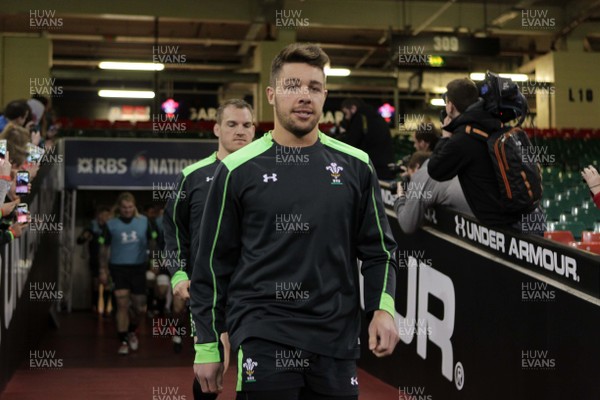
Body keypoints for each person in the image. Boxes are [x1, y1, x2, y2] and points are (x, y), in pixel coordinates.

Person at [191, 43, 399, 400]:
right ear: (271, 94)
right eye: (293, 86)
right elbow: (212, 265)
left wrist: (383, 309)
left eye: (314, 88)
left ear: (325, 95)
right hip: (263, 334)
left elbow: (379, 251)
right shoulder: (236, 170)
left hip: (336, 339)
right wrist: (208, 343)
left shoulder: (357, 165)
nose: (304, 96)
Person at [163, 98, 255, 399]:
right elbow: (174, 230)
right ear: (217, 128)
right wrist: (178, 273)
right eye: (232, 124)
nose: (240, 131)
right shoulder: (192, 177)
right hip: (209, 290)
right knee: (215, 368)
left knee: (255, 369)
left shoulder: (269, 175)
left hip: (258, 289)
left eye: (246, 125)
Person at [428, 78, 543, 232]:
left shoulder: (462, 139)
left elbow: (435, 170)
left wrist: (445, 136)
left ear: (450, 107)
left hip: (510, 227)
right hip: (533, 216)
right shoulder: (492, 121)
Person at [99, 192, 158, 355]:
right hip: (118, 268)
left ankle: (132, 330)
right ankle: (123, 340)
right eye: (124, 207)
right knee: (122, 304)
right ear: (120, 207)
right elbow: (103, 249)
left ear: (134, 207)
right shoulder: (111, 224)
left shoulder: (145, 222)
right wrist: (102, 269)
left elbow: (153, 243)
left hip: (139, 267)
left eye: (130, 207)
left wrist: (154, 262)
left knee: (139, 308)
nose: (127, 210)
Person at [394, 151, 472, 234]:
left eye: (409, 175)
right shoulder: (445, 164)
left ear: (417, 167)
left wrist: (400, 197)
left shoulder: (422, 174)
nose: (411, 182)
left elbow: (407, 225)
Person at [339, 98, 396, 180]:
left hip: (372, 169)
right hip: (386, 169)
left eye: (345, 113)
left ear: (353, 108)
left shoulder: (359, 118)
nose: (346, 117)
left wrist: (344, 130)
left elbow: (350, 144)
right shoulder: (377, 117)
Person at [77, 205, 112, 315]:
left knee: (108, 284)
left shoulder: (111, 227)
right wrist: (85, 236)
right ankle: (95, 307)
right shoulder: (92, 227)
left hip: (109, 260)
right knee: (96, 284)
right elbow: (80, 240)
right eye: (104, 214)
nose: (106, 217)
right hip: (95, 259)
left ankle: (107, 309)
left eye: (108, 215)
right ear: (99, 215)